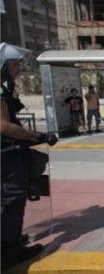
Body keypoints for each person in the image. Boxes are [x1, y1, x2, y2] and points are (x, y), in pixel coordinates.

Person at [0, 43, 57, 270]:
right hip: (6, 156)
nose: (19, 68)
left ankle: (11, 238)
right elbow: (4, 126)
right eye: (15, 64)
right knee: (12, 198)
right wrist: (38, 135)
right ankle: (9, 250)